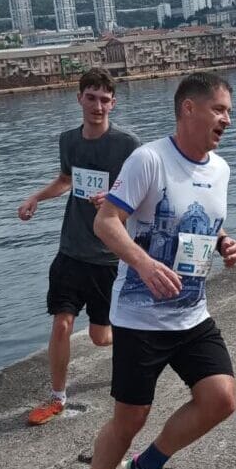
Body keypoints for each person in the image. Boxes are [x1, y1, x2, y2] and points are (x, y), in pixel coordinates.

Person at [79, 71, 236, 469]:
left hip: (192, 313)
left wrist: (225, 243)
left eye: (229, 112)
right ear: (189, 108)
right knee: (129, 419)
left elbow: (205, 225)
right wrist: (144, 263)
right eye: (219, 109)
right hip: (140, 319)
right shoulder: (148, 160)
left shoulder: (221, 169)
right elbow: (106, 222)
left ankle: (148, 466)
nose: (227, 120)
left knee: (221, 398)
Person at [18, 68, 140, 425]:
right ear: (79, 99)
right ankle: (57, 397)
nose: (97, 106)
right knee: (61, 324)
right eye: (91, 98)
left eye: (104, 99)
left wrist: (114, 199)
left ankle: (138, 338)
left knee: (102, 338)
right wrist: (36, 197)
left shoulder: (128, 144)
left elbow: (144, 191)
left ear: (113, 103)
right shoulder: (68, 140)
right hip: (71, 250)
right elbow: (66, 179)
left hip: (107, 255)